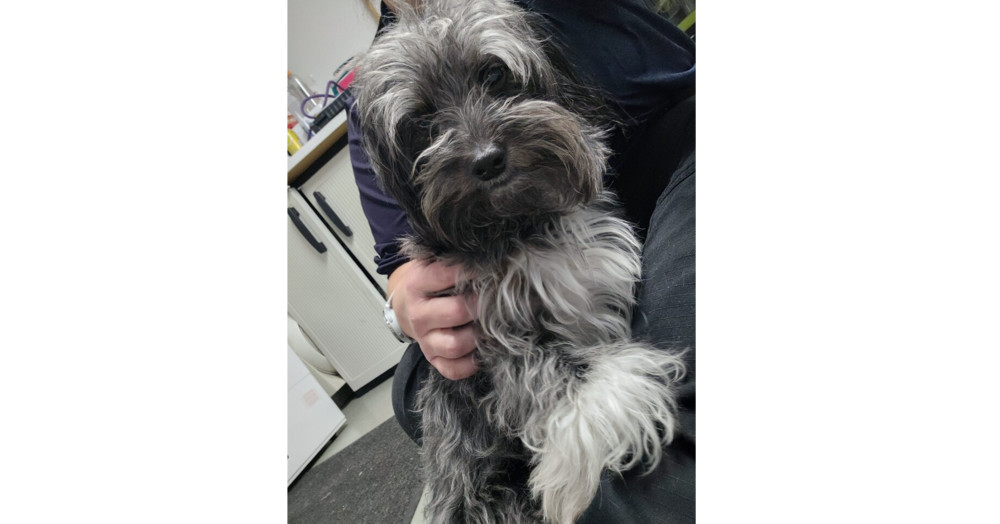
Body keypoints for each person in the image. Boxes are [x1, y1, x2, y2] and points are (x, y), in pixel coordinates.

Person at [346, 1, 696, 521]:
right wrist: (403, 302)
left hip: (675, 166)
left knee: (668, 403)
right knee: (417, 387)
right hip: (505, 272)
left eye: (495, 78)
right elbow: (404, 269)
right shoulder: (371, 98)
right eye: (427, 124)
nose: (482, 146)